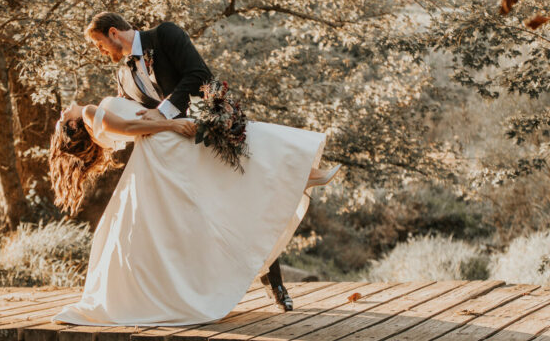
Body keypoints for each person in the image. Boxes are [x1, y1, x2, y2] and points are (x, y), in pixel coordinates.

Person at [47, 87, 340, 328]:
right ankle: (297, 174)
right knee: (239, 158)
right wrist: (170, 123)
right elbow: (128, 126)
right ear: (74, 126)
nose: (62, 112)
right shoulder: (87, 112)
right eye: (62, 120)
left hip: (164, 144)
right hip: (167, 141)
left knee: (230, 173)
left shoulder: (97, 115)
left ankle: (297, 176)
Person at [80, 12, 299, 310]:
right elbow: (134, 119)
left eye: (99, 43)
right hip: (173, 165)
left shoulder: (165, 35)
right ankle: (199, 296)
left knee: (242, 209)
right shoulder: (123, 76)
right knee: (192, 230)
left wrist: (165, 111)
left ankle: (274, 285)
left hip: (207, 144)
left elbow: (199, 75)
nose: (100, 50)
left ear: (114, 33)